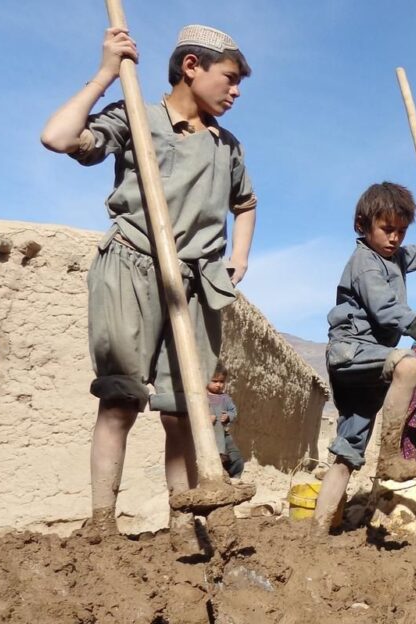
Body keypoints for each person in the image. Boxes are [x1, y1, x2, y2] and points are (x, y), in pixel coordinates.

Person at [39, 25, 257, 537]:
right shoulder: (138, 116)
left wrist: (239, 257)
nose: (236, 91)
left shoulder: (227, 146)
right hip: (132, 266)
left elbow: (246, 203)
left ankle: (183, 524)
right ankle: (101, 523)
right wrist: (105, 74)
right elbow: (58, 137)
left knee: (184, 411)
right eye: (229, 78)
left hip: (197, 282)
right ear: (191, 67)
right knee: (120, 399)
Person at [314, 180, 416, 531]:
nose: (395, 238)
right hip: (351, 352)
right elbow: (385, 310)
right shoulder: (365, 263)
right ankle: (389, 456)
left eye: (401, 231)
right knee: (409, 364)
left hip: (372, 366)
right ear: (362, 225)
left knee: (348, 453)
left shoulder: (395, 258)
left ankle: (319, 530)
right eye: (386, 229)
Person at [207, 367, 244, 477]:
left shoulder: (224, 398)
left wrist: (228, 416)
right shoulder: (201, 396)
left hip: (223, 435)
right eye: (215, 381)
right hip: (207, 436)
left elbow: (233, 411)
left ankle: (235, 478)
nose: (218, 385)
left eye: (221, 381)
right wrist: (206, 419)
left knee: (236, 458)